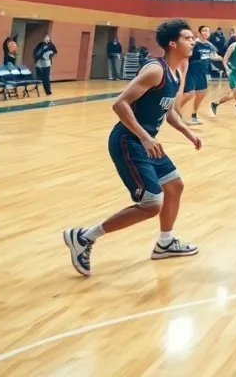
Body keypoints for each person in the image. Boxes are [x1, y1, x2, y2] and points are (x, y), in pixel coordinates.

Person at [62, 20, 202, 278]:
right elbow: (120, 104)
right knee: (151, 204)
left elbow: (167, 109)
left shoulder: (176, 73)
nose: (193, 41)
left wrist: (187, 132)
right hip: (128, 140)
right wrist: (146, 139)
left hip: (146, 141)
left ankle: (165, 242)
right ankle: (84, 237)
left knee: (175, 186)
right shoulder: (155, 70)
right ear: (173, 43)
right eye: (188, 38)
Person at [180, 25, 221, 126]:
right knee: (189, 94)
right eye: (204, 30)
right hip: (191, 72)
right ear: (199, 32)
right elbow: (185, 55)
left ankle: (194, 115)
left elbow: (214, 55)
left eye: (208, 31)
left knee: (201, 93)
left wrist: (220, 59)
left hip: (202, 72)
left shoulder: (209, 45)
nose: (206, 32)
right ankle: (175, 111)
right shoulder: (194, 44)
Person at [212, 28, 236, 116]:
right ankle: (216, 103)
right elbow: (225, 58)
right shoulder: (234, 45)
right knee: (234, 93)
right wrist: (227, 69)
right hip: (233, 71)